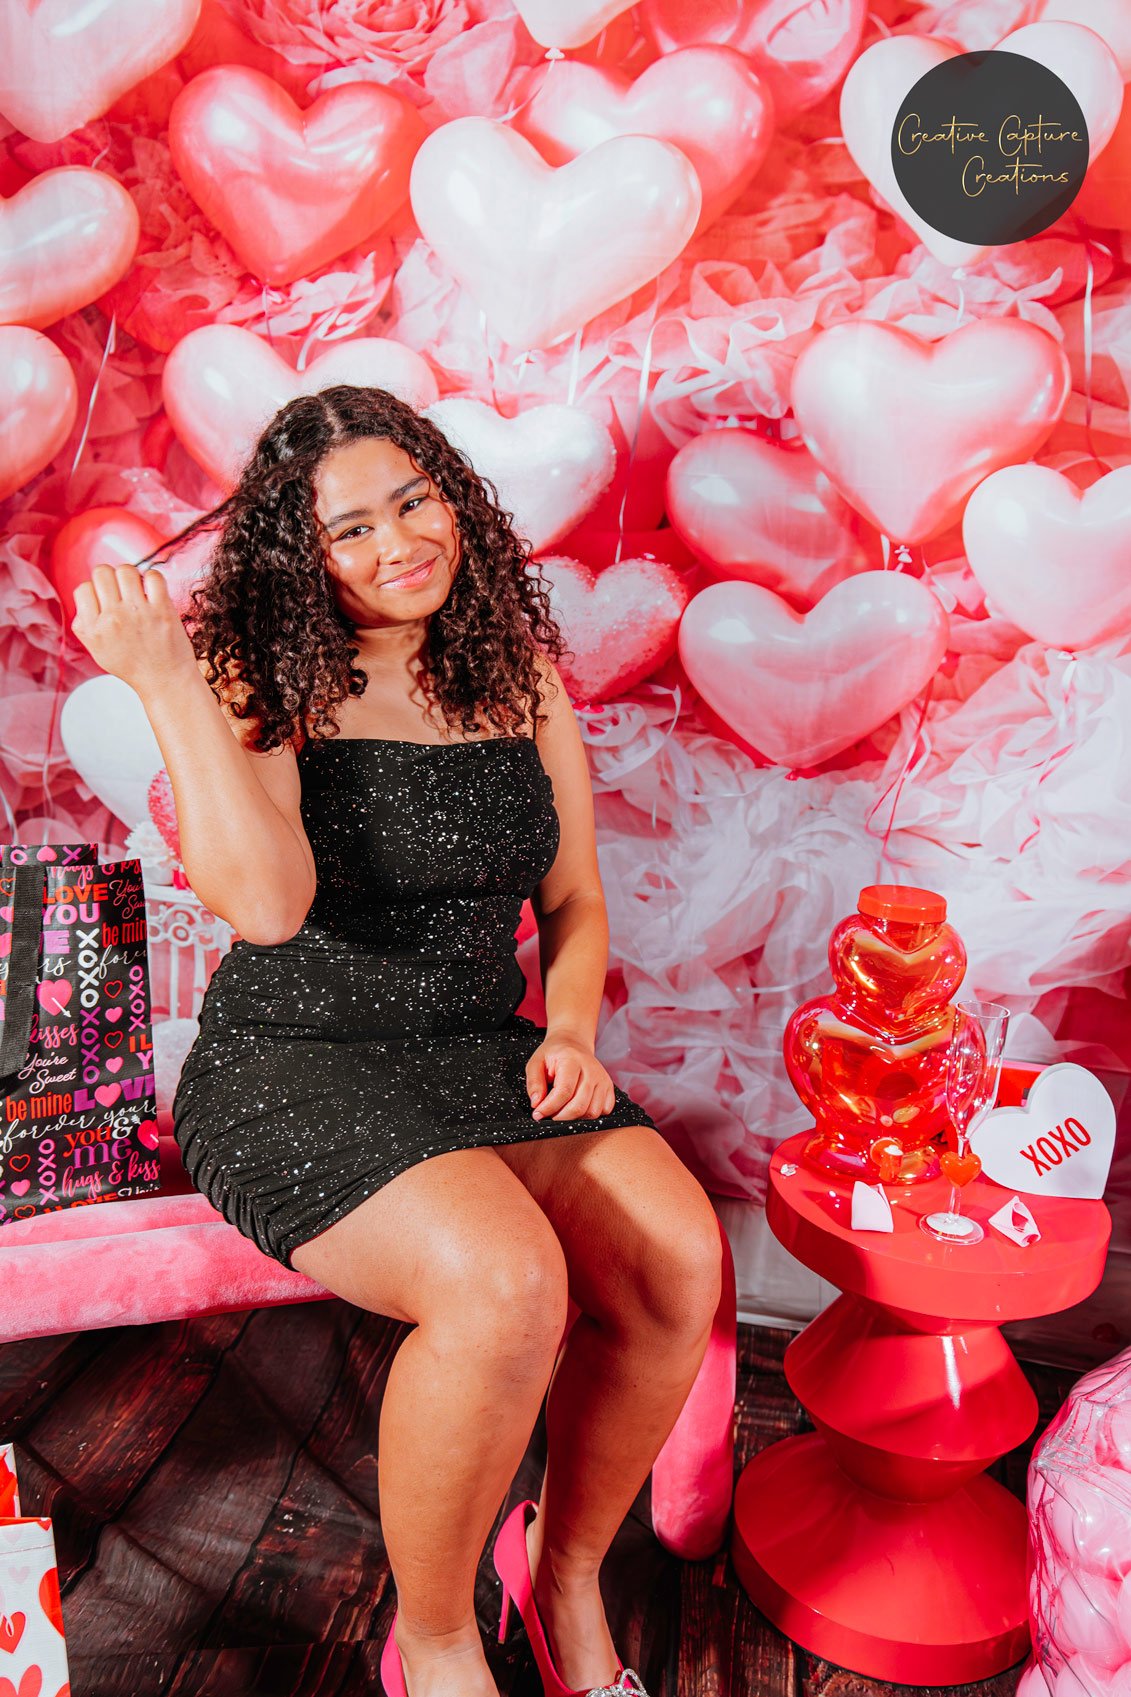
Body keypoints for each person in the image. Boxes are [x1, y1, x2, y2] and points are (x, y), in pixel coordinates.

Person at [70, 385, 724, 1697]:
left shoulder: (516, 672)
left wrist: (578, 1026)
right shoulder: (263, 678)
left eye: (411, 501)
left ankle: (566, 1575)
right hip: (295, 1066)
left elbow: (576, 897)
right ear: (301, 558)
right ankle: (431, 1643)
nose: (393, 544)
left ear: (454, 496)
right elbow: (267, 904)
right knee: (504, 1286)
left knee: (678, 1260)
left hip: (481, 1043)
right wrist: (164, 683)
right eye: (348, 528)